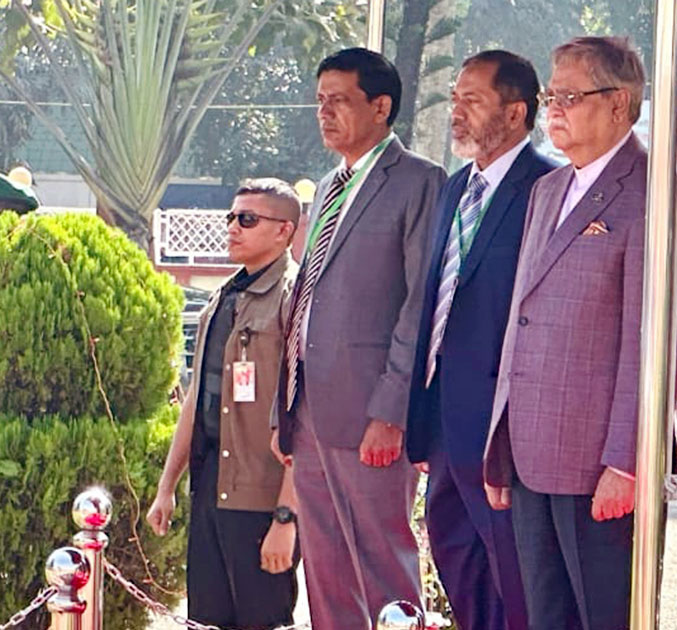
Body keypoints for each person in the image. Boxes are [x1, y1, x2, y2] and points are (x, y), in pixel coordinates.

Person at [481, 36, 677, 630]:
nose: (554, 110)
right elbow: (522, 320)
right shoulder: (547, 190)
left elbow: (655, 343)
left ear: (619, 103)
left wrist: (627, 462)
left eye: (570, 97)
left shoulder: (656, 196)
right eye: (551, 96)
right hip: (531, 455)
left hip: (598, 467)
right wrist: (500, 441)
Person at [270, 48, 445, 630]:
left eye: (339, 101)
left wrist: (391, 410)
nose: (324, 113)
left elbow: (419, 305)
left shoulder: (419, 181)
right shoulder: (327, 185)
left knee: (382, 562)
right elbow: (307, 295)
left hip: (371, 412)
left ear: (381, 106)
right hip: (310, 410)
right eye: (320, 101)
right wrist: (284, 407)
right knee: (325, 569)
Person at [405, 49, 556, 630]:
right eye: (454, 99)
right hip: (443, 419)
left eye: (472, 100)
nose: (457, 111)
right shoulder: (454, 188)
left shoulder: (547, 187)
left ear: (516, 112)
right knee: (457, 562)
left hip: (502, 427)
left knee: (512, 577)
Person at [147, 179, 302, 629]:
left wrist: (286, 517)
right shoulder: (223, 297)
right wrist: (167, 486)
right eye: (231, 217)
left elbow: (306, 414)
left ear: (284, 230)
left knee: (263, 620)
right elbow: (198, 399)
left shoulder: (294, 298)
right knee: (206, 620)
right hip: (212, 484)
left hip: (262, 495)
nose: (233, 227)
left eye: (248, 219)